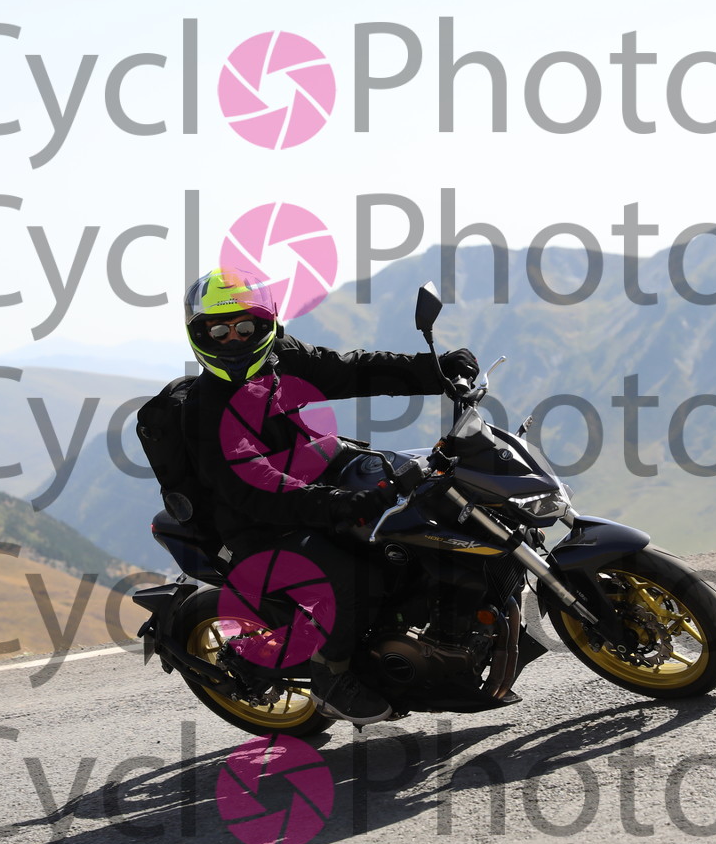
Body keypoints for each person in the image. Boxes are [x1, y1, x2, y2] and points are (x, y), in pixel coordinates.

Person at [147, 266, 477, 725]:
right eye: (218, 331)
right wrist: (338, 504)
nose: (233, 340)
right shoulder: (207, 409)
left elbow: (352, 371)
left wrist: (435, 370)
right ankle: (331, 677)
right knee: (353, 577)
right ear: (198, 335)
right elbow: (254, 484)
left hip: (315, 480)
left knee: (421, 504)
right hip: (256, 524)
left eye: (245, 327)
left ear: (267, 325)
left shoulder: (281, 358)